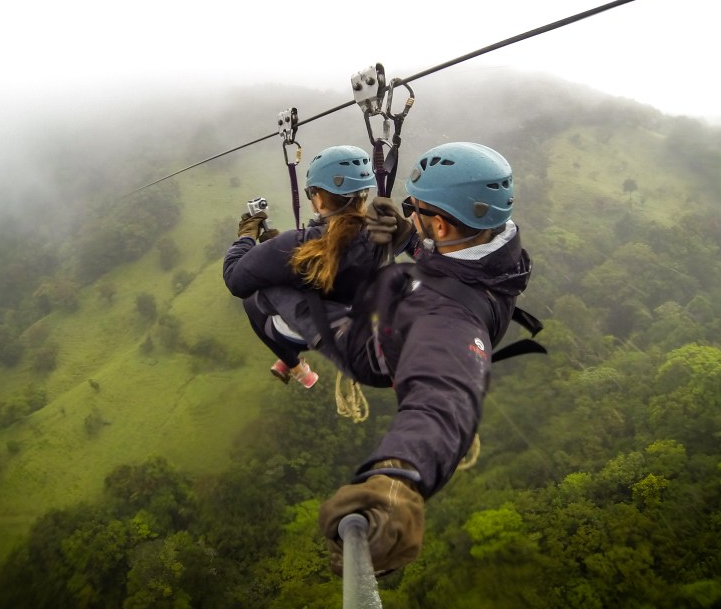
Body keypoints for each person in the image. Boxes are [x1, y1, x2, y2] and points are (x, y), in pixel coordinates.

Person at [269, 141, 534, 575]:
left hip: (370, 348)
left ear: (443, 227)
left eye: (416, 207)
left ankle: (287, 342)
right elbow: (447, 267)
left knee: (275, 294)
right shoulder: (500, 255)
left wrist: (397, 482)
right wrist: (411, 237)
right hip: (397, 321)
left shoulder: (448, 319)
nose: (409, 211)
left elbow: (444, 397)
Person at [222, 144, 382, 388]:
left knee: (251, 300)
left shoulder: (295, 245)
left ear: (317, 199)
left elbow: (235, 279)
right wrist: (273, 247)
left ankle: (295, 365)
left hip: (299, 333)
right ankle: (293, 364)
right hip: (345, 320)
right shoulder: (381, 234)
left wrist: (246, 238)